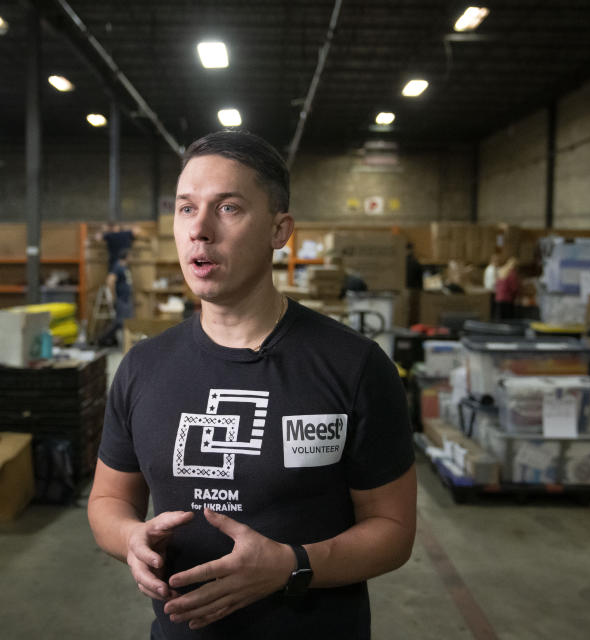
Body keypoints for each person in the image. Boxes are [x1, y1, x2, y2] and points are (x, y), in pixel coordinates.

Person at [87, 130, 417, 639]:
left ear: (279, 229)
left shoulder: (354, 366)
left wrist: (290, 565)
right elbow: (108, 501)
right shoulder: (142, 368)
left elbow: (393, 532)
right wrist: (130, 538)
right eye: (185, 208)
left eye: (228, 208)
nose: (199, 230)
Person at [96, 248, 133, 347]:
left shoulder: (125, 267)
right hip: (121, 298)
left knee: (125, 321)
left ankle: (121, 341)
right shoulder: (118, 266)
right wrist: (112, 296)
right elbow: (110, 281)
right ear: (126, 256)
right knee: (120, 322)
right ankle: (103, 339)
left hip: (126, 298)